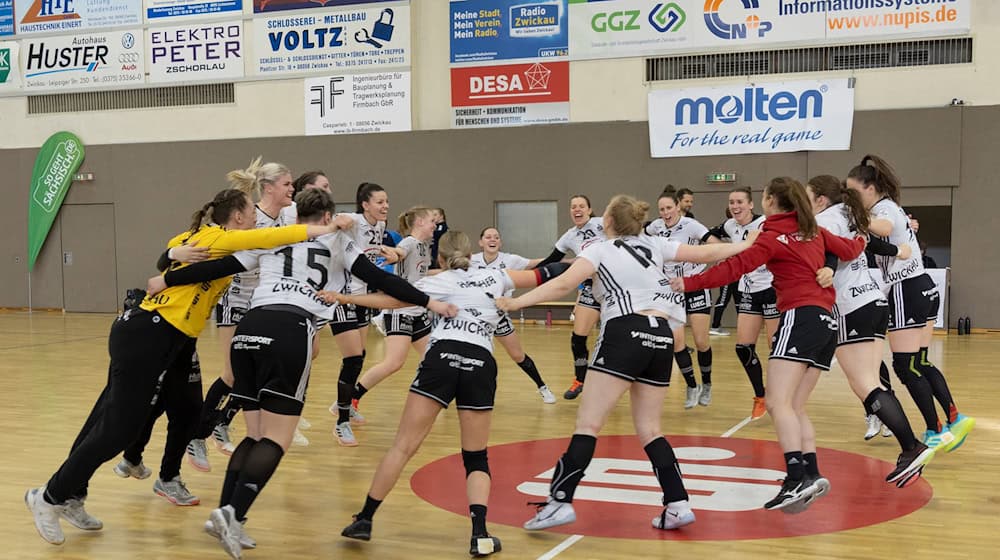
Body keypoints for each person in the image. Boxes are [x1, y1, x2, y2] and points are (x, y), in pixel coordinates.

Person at [25, 187, 346, 546]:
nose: (256, 218)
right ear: (237, 217)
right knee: (119, 426)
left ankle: (101, 487)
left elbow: (175, 259)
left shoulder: (197, 237)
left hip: (176, 338)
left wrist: (170, 256)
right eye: (251, 214)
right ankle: (51, 496)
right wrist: (328, 228)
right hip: (151, 329)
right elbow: (272, 236)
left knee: (187, 409)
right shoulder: (221, 236)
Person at [502, 195, 753, 531]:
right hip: (662, 335)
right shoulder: (655, 244)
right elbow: (707, 253)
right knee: (650, 429)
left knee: (589, 424)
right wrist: (748, 243)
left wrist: (515, 304)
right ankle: (677, 503)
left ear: (608, 222)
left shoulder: (599, 249)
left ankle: (559, 500)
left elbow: (562, 284)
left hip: (625, 330)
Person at [338, 231, 571, 557]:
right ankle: (480, 534)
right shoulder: (497, 275)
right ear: (471, 253)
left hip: (441, 359)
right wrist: (585, 264)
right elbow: (547, 273)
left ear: (441, 259)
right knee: (476, 456)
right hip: (479, 362)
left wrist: (347, 299)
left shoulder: (435, 282)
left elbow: (391, 299)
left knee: (402, 447)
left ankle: (364, 519)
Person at [673, 177, 868, 511]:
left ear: (770, 202)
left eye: (762, 197)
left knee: (777, 402)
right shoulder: (813, 230)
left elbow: (734, 268)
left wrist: (689, 283)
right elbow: (851, 249)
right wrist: (864, 234)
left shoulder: (772, 236)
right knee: (795, 405)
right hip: (827, 323)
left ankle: (796, 479)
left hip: (799, 317)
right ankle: (812, 472)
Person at [808, 175, 935, 490]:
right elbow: (869, 242)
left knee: (865, 384)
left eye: (808, 196)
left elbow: (832, 250)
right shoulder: (849, 214)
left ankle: (911, 447)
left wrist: (824, 267)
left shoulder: (824, 219)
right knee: (870, 382)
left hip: (853, 306)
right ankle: (909, 447)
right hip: (875, 301)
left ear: (820, 199)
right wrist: (898, 251)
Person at [846, 155, 974, 451]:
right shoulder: (891, 207)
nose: (851, 199)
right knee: (919, 361)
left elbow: (883, 227)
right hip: (922, 286)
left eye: (854, 192)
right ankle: (954, 416)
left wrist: (852, 218)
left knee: (904, 366)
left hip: (907, 289)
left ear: (869, 188)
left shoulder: (884, 208)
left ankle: (935, 429)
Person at [186, 158, 300, 476]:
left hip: (263, 303)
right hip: (235, 300)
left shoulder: (286, 215)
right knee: (233, 374)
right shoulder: (253, 219)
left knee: (257, 372)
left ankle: (223, 421)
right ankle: (197, 435)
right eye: (288, 184)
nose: (293, 188)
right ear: (269, 188)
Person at [350, 207, 437, 429]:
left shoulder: (425, 247)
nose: (435, 226)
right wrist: (392, 254)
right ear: (418, 222)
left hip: (417, 311)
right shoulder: (408, 243)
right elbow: (399, 252)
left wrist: (455, 271)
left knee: (433, 358)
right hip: (400, 312)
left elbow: (423, 274)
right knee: (393, 363)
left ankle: (432, 399)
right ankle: (349, 399)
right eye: (431, 221)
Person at [328, 182, 399, 446]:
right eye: (380, 202)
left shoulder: (379, 227)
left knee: (359, 356)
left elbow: (368, 254)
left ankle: (343, 404)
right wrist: (341, 219)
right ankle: (341, 422)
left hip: (363, 297)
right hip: (342, 295)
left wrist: (387, 252)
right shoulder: (354, 221)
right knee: (353, 358)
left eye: (387, 201)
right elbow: (336, 222)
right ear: (365, 204)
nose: (385, 206)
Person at [645, 192, 720, 408]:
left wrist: (728, 254)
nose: (666, 213)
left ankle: (706, 383)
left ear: (678, 207)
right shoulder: (655, 227)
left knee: (701, 341)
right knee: (677, 342)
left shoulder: (692, 225)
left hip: (694, 286)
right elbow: (638, 235)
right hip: (671, 289)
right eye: (662, 209)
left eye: (669, 208)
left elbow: (713, 243)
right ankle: (691, 385)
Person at [471, 227, 555, 403]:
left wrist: (572, 260)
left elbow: (538, 263)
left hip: (499, 316)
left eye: (496, 237)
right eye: (488, 237)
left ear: (500, 242)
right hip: (475, 318)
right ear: (481, 242)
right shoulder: (470, 260)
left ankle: (542, 386)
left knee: (518, 355)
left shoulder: (511, 260)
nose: (492, 240)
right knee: (472, 355)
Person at [535, 195, 606, 400]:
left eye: (582, 206)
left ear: (590, 209)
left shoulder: (602, 223)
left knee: (610, 339)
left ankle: (609, 382)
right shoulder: (570, 236)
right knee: (578, 338)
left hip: (615, 288)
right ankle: (580, 380)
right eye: (573, 206)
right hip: (592, 287)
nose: (577, 210)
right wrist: (529, 272)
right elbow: (552, 260)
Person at [723, 187, 780, 420]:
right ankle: (761, 396)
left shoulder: (767, 223)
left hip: (772, 289)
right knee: (743, 348)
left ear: (751, 204)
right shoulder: (729, 226)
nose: (735, 206)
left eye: (739, 202)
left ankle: (780, 397)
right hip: (748, 290)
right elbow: (710, 238)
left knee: (776, 350)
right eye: (731, 202)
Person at [707, 209, 737, 336]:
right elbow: (708, 233)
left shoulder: (741, 228)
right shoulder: (726, 227)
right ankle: (715, 326)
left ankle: (745, 325)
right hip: (727, 269)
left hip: (738, 269)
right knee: (724, 298)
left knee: (739, 298)